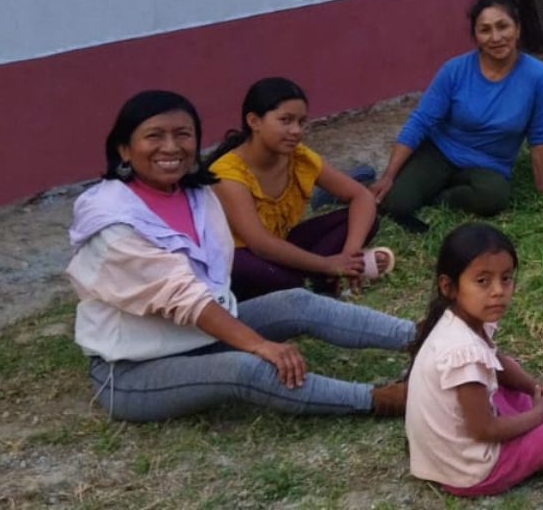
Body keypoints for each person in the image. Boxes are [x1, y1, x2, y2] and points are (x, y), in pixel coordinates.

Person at [66, 90, 417, 421]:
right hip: (133, 370)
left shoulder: (197, 195)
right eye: (154, 136)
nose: (171, 147)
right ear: (125, 149)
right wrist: (260, 345)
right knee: (248, 368)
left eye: (183, 134)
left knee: (296, 301)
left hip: (200, 335)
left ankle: (425, 336)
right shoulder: (111, 219)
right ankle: (385, 399)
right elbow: (184, 299)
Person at [405, 223, 543, 496]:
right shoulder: (463, 352)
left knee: (507, 375)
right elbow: (484, 430)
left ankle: (536, 421)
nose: (498, 290)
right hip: (474, 472)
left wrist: (536, 388)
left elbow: (497, 362)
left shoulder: (456, 323)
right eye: (482, 281)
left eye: (506, 278)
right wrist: (540, 413)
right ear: (448, 287)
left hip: (446, 460)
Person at [372, 0, 543, 229]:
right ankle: (396, 182)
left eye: (502, 26)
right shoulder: (454, 70)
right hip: (440, 152)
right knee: (395, 203)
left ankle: (438, 196)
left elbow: (540, 135)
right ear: (475, 36)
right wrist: (388, 176)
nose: (495, 37)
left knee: (494, 197)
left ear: (517, 28)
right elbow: (420, 120)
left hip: (489, 164)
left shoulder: (538, 76)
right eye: (485, 30)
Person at [207, 77, 392, 299]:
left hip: (281, 247)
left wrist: (350, 255)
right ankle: (314, 281)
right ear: (254, 121)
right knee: (260, 273)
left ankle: (318, 279)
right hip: (242, 257)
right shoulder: (227, 173)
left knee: (360, 220)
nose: (296, 130)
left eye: (301, 122)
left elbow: (361, 196)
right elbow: (260, 244)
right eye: (285, 120)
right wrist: (326, 264)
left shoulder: (298, 156)